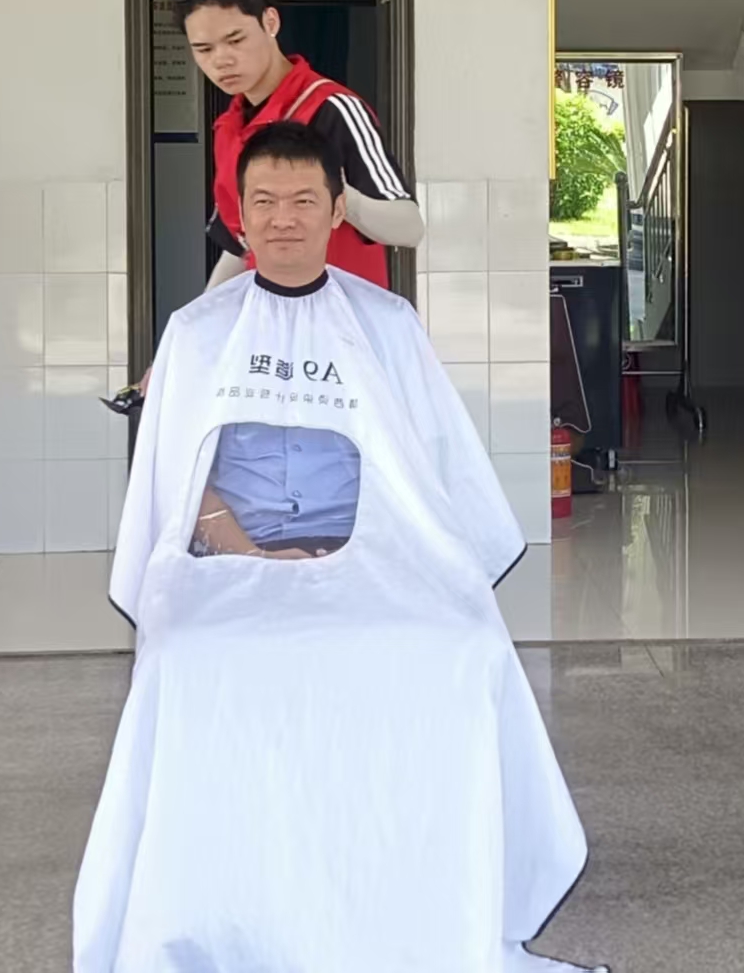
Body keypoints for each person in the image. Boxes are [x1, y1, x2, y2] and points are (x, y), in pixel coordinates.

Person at [74, 124, 601, 973]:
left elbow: (426, 467)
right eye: (264, 202)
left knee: (460, 641)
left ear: (335, 212)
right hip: (230, 558)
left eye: (303, 201)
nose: (283, 219)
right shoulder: (196, 332)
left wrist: (347, 561)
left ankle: (422, 895)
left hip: (368, 553)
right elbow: (179, 481)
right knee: (187, 650)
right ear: (240, 216)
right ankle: (209, 910)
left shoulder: (387, 325)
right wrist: (253, 554)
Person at [175, 0, 423, 293]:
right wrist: (204, 313)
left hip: (341, 316)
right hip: (268, 316)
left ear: (270, 22)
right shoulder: (228, 128)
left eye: (235, 40)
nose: (221, 60)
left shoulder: (333, 109)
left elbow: (409, 228)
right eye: (204, 49)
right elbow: (239, 246)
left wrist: (339, 196)